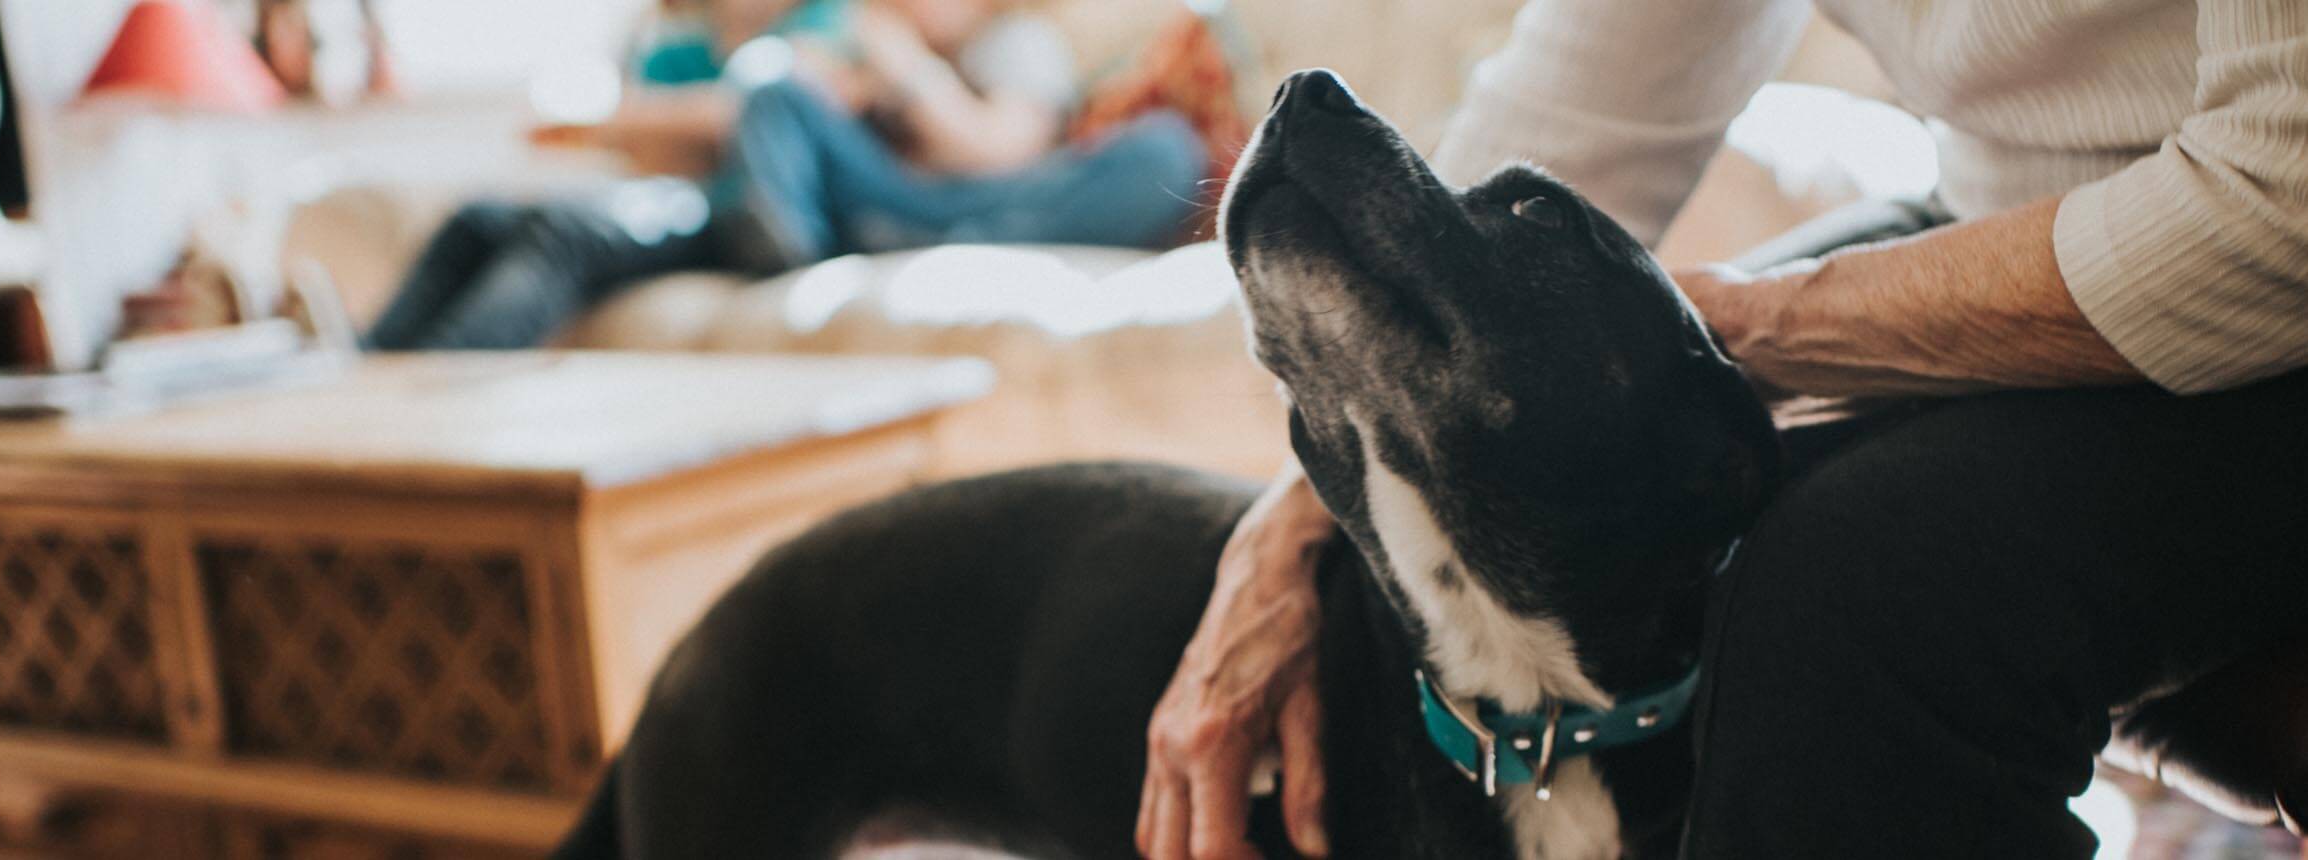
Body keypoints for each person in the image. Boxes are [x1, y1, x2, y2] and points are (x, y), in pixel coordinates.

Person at [1138, 2, 2308, 858]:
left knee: (1850, 574)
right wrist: (1297, 520)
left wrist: (1751, 325)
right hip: (2016, 207)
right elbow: (1585, 105)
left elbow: (2279, 214)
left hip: (2271, 272)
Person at [364, 0, 1206, 351]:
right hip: (853, 209)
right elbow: (774, 118)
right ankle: (369, 367)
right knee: (774, 92)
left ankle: (870, 237)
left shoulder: (1015, 43)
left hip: (969, 203)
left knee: (1163, 151)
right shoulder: (833, 39)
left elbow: (995, 152)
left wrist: (902, 72)